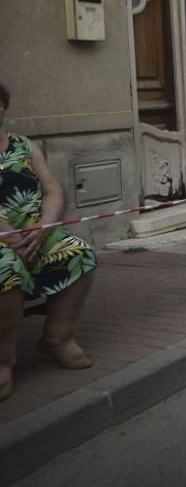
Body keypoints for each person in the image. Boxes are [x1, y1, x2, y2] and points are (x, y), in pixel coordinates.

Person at [0, 84, 98, 401]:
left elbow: (53, 190)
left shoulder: (25, 146)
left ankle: (58, 337)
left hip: (35, 233)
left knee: (80, 255)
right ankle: (4, 361)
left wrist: (45, 224)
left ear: (4, 106)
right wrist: (9, 235)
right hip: (4, 240)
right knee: (7, 271)